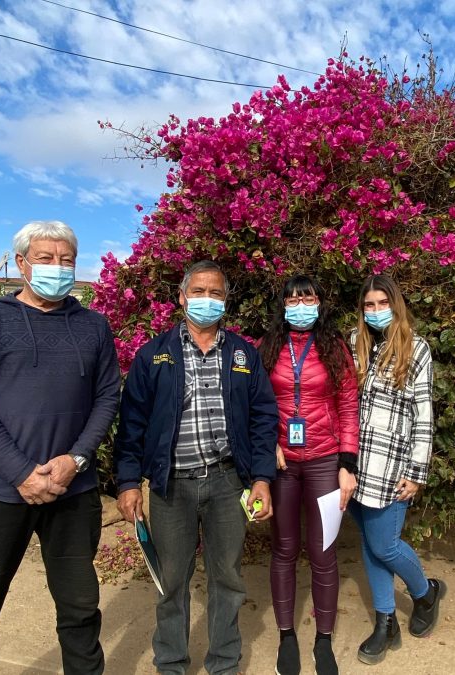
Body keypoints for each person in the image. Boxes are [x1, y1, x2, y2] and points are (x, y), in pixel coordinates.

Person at [0, 220, 121, 675]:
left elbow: (107, 398)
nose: (57, 268)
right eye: (45, 259)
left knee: (80, 611)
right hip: (1, 492)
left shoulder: (93, 327)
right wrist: (21, 472)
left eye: (66, 260)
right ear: (22, 263)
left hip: (73, 494)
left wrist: (74, 460)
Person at [114, 260, 278, 675]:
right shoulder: (154, 355)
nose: (208, 299)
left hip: (227, 483)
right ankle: (171, 663)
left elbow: (263, 418)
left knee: (228, 579)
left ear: (226, 301)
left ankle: (224, 663)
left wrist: (261, 478)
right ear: (182, 297)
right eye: (199, 291)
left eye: (217, 293)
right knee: (172, 583)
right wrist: (128, 482)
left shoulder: (243, 354)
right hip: (172, 486)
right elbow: (131, 424)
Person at [256, 275, 359, 675]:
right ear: (282, 305)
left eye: (308, 298)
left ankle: (324, 640)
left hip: (323, 461)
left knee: (323, 553)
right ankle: (286, 635)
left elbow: (349, 406)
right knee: (283, 550)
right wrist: (268, 444)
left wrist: (347, 464)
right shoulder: (267, 348)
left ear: (319, 303)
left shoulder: (335, 349)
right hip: (281, 465)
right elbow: (254, 404)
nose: (301, 306)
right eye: (294, 299)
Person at [347, 274, 446, 666]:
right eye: (368, 306)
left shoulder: (416, 349)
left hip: (391, 466)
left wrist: (418, 471)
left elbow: (423, 415)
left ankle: (424, 592)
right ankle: (386, 622)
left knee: (384, 544)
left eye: (381, 304)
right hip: (353, 466)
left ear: (396, 305)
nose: (375, 312)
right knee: (371, 543)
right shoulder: (356, 346)